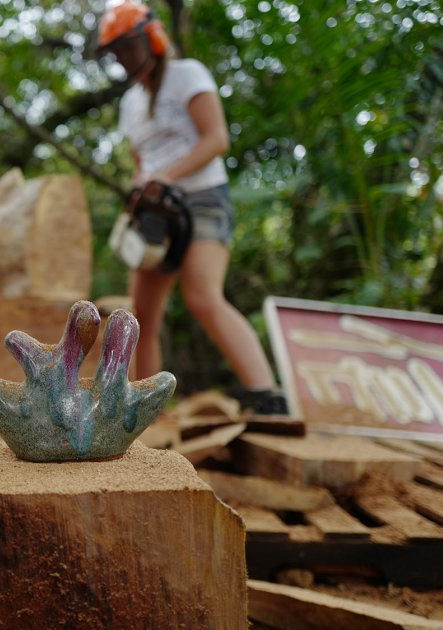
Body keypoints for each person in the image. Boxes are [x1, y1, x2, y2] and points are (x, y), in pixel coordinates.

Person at [96, 1, 287, 414]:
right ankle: (143, 408)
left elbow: (216, 139)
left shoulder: (188, 75)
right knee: (141, 315)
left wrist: (168, 175)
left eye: (128, 46)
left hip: (201, 199)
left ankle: (267, 395)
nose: (123, 58)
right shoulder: (129, 103)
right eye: (116, 51)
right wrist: (139, 190)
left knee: (202, 295)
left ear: (151, 38)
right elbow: (140, 165)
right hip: (154, 214)